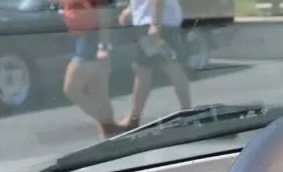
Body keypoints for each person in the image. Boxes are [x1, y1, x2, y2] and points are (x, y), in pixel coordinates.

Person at [117, 0, 192, 130]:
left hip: (159, 25)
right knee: (144, 70)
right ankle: (134, 119)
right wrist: (130, 10)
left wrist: (156, 23)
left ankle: (188, 112)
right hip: (151, 24)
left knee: (169, 67)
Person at [59, 0, 121, 138]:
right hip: (79, 35)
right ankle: (110, 132)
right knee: (98, 90)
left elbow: (104, 8)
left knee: (71, 88)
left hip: (92, 37)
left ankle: (109, 126)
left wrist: (104, 45)